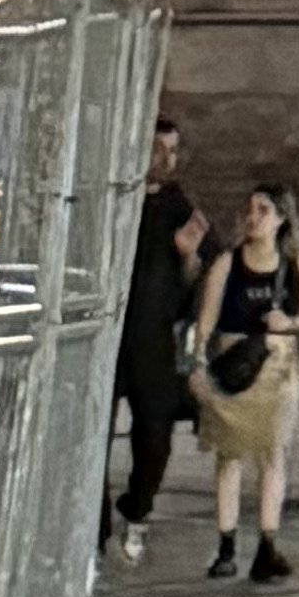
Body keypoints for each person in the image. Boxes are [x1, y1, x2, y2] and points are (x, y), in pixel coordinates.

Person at [192, 184, 299, 581]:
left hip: (276, 367)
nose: (253, 216)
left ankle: (267, 544)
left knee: (273, 453)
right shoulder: (229, 262)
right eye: (250, 209)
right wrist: (197, 359)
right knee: (229, 456)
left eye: (263, 210)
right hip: (234, 361)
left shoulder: (296, 261)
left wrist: (290, 322)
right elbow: (208, 314)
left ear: (281, 218)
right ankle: (226, 545)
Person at [113, 118, 204, 560]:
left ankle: (137, 510)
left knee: (154, 434)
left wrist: (188, 257)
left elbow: (199, 275)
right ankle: (90, 527)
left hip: (154, 341)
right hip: (108, 340)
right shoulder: (115, 198)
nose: (166, 159)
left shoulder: (178, 206)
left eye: (173, 151)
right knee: (91, 433)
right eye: (157, 149)